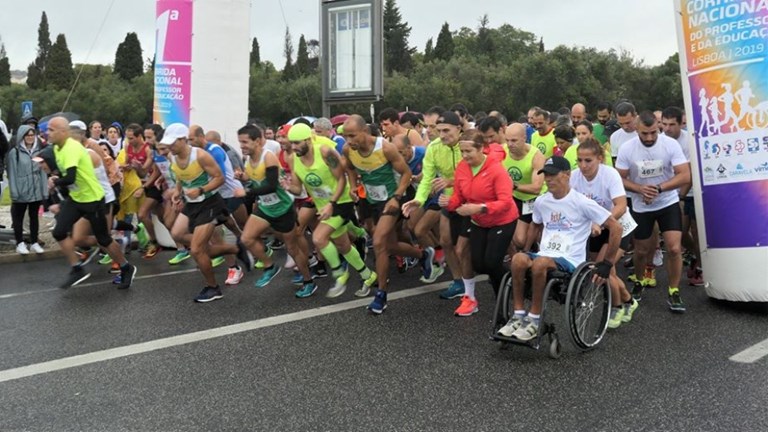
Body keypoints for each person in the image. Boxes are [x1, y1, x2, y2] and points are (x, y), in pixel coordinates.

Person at [498, 156, 622, 341]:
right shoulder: (541, 201)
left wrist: (607, 263)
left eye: (553, 175)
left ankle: (534, 319)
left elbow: (616, 228)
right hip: (546, 254)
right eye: (546, 175)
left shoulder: (581, 202)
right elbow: (535, 224)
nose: (548, 179)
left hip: (570, 260)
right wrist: (526, 249)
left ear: (567, 175)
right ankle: (518, 314)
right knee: (517, 259)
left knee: (540, 263)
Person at [342, 115, 439, 306]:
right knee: (390, 245)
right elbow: (350, 168)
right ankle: (424, 255)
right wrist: (353, 186)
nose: (349, 140)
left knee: (379, 242)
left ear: (365, 132)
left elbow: (406, 173)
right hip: (372, 200)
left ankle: (381, 295)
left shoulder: (385, 148)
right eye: (346, 136)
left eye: (352, 136)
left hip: (393, 198)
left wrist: (396, 197)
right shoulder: (348, 150)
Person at [282, 123, 376, 303]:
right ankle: (368, 275)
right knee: (343, 245)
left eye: (297, 143)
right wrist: (288, 187)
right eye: (291, 143)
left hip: (341, 201)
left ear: (308, 140)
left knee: (318, 238)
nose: (293, 147)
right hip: (323, 205)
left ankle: (339, 273)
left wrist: (332, 204)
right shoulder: (294, 159)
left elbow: (342, 179)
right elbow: (298, 188)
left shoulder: (325, 152)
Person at [161, 123, 251, 302]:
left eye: (173, 142)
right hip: (192, 203)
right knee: (177, 234)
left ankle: (213, 288)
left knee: (196, 250)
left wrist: (201, 190)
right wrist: (178, 192)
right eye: (168, 143)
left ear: (183, 140)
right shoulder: (173, 157)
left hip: (209, 202)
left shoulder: (200, 156)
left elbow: (220, 178)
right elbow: (180, 177)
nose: (169, 147)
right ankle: (236, 249)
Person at [46, 117, 137, 289]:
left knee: (103, 239)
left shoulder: (84, 152)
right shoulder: (59, 148)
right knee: (66, 234)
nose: (47, 133)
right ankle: (77, 268)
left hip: (97, 199)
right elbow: (69, 177)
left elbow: (74, 177)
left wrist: (57, 181)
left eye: (51, 130)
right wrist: (56, 180)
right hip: (78, 198)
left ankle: (125, 266)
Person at [616, 111, 691, 313]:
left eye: (653, 133)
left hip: (667, 202)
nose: (649, 138)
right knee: (641, 251)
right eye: (644, 134)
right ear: (637, 130)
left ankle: (674, 290)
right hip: (641, 205)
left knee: (674, 248)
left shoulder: (670, 144)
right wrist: (639, 189)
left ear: (658, 128)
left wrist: (659, 188)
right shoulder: (627, 148)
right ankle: (639, 280)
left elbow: (685, 175)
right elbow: (619, 178)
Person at [439, 130, 517, 316]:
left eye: (469, 151)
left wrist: (479, 208)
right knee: (478, 265)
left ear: (481, 149)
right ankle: (510, 279)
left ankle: (503, 302)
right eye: (462, 151)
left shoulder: (496, 170)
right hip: (479, 221)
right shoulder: (462, 167)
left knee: (491, 263)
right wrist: (449, 203)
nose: (465, 156)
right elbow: (459, 195)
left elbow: (506, 202)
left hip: (502, 220)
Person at [236, 124, 315, 295]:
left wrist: (247, 192)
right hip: (266, 207)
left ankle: (308, 280)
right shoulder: (248, 159)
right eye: (240, 142)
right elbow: (254, 177)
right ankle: (269, 266)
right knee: (246, 238)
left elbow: (271, 186)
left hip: (283, 209)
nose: (241, 146)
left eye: (245, 142)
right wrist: (243, 177)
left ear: (258, 141)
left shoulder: (268, 157)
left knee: (292, 249)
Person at [402, 112, 472, 300]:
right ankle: (459, 282)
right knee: (447, 241)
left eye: (446, 130)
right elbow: (427, 178)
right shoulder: (434, 148)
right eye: (437, 130)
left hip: (473, 201)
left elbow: (478, 173)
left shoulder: (469, 144)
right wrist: (418, 200)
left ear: (459, 128)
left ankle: (506, 274)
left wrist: (451, 181)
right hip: (449, 201)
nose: (441, 135)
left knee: (468, 249)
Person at [569, 138, 638, 328]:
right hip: (595, 229)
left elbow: (621, 205)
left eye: (588, 160)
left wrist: (601, 221)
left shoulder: (610, 174)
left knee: (602, 269)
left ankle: (616, 307)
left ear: (599, 158)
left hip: (618, 227)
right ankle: (629, 300)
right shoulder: (574, 177)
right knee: (603, 271)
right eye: (579, 160)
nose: (583, 165)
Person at [500, 123, 546, 252]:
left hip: (534, 199)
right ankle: (518, 253)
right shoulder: (502, 151)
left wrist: (513, 185)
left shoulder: (536, 156)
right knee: (517, 239)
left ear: (524, 138)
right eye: (507, 140)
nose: (510, 144)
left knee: (526, 239)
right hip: (515, 197)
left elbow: (536, 188)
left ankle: (535, 245)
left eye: (514, 140)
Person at [6, 125, 48, 254]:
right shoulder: (15, 153)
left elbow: (42, 172)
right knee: (18, 218)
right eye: (27, 135)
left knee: (34, 217)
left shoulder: (38, 152)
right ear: (22, 136)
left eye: (32, 135)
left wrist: (44, 190)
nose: (30, 137)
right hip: (21, 190)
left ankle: (34, 242)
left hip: (36, 190)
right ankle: (20, 243)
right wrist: (14, 192)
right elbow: (12, 173)